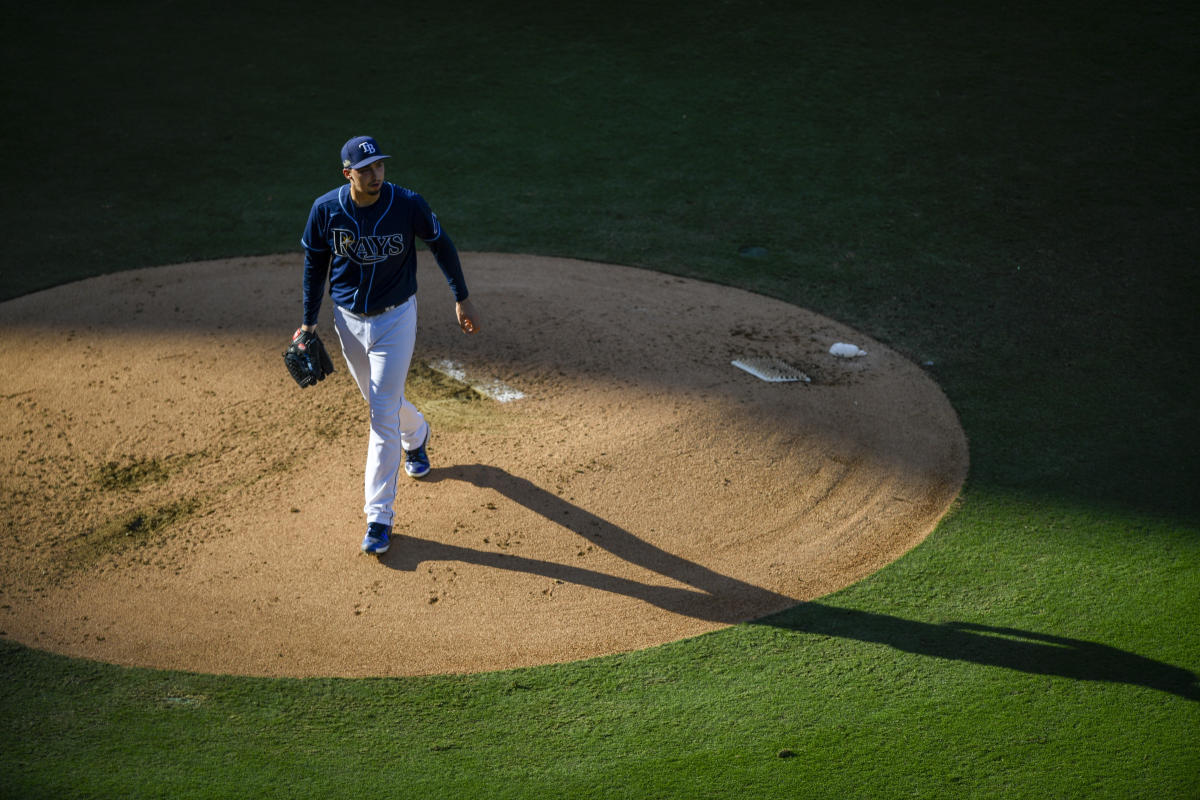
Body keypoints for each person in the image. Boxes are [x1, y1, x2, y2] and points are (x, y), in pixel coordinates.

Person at [297, 134, 480, 555]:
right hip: (347, 323)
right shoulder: (325, 210)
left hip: (396, 319)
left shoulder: (407, 203)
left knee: (381, 417)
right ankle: (416, 433)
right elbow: (314, 266)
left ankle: (378, 517)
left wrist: (461, 296)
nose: (375, 174)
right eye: (365, 169)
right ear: (349, 174)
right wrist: (308, 322)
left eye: (380, 166)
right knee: (381, 401)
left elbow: (441, 243)